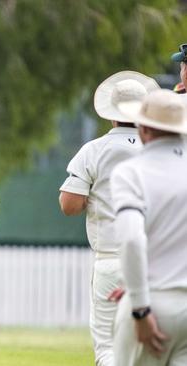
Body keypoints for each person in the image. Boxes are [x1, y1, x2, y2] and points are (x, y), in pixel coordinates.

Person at [58, 71, 159, 366]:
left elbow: (69, 204)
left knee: (107, 348)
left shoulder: (94, 150)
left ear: (111, 114)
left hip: (110, 259)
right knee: (150, 348)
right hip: (154, 262)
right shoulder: (158, 151)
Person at [111, 89, 187, 366]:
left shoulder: (131, 172)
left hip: (151, 303)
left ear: (143, 128)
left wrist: (140, 306)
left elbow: (132, 240)